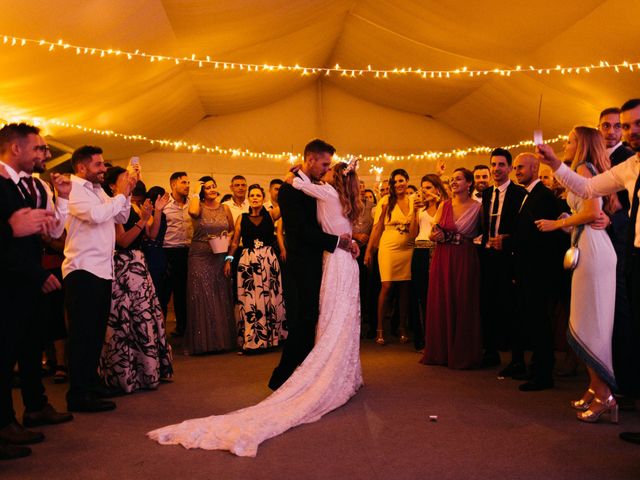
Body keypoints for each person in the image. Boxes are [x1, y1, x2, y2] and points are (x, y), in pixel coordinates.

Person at [148, 158, 363, 457]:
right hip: (336, 260)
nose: (324, 171)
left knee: (329, 317)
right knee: (331, 317)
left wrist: (294, 174)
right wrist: (345, 242)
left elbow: (305, 204)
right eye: (322, 165)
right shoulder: (336, 195)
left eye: (328, 168)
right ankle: (309, 373)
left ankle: (330, 370)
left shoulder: (323, 190)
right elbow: (304, 226)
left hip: (332, 260)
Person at [0, 125, 72, 457]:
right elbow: (10, 237)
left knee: (30, 344)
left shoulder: (31, 187)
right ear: (16, 148)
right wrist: (9, 229)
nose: (44, 153)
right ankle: (3, 425)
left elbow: (46, 232)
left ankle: (34, 407)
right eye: (37, 148)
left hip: (26, 278)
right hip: (8, 281)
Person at [536, 126, 617, 421]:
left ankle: (605, 395)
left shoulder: (584, 167)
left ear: (581, 144)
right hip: (586, 245)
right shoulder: (585, 169)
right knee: (585, 320)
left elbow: (594, 211)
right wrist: (568, 221)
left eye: (569, 141)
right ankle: (595, 389)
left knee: (592, 322)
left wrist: (556, 224)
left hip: (593, 250)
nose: (566, 145)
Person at [268, 140, 353, 390]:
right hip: (301, 264)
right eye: (324, 163)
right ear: (311, 158)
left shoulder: (316, 185)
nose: (327, 169)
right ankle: (280, 378)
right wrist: (337, 242)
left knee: (314, 320)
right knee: (303, 322)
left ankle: (308, 375)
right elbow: (300, 230)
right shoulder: (289, 190)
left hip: (322, 262)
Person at [63, 145, 135, 412]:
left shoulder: (98, 190)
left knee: (95, 334)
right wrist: (120, 194)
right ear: (81, 167)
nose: (104, 169)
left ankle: (90, 384)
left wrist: (123, 195)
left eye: (104, 164)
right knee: (82, 335)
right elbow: (96, 216)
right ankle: (78, 394)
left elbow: (121, 215)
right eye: (98, 165)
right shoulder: (73, 190)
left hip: (102, 269)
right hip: (83, 270)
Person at [98, 167, 173, 393]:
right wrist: (143, 221)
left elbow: (150, 235)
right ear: (113, 185)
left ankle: (147, 370)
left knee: (145, 317)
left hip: (140, 264)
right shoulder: (112, 205)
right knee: (127, 320)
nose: (131, 182)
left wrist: (156, 213)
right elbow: (122, 240)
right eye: (125, 179)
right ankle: (127, 372)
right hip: (123, 264)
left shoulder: (133, 204)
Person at [511, 153, 565, 391]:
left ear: (535, 167)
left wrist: (511, 242)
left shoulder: (542, 195)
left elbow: (540, 237)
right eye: (515, 167)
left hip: (539, 270)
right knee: (533, 320)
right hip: (529, 268)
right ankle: (537, 368)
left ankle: (543, 374)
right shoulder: (530, 194)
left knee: (540, 321)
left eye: (520, 167)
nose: (516, 171)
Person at [420, 168, 482, 369]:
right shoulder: (444, 205)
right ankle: (441, 351)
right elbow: (432, 233)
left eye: (458, 179)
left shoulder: (478, 208)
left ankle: (462, 352)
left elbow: (483, 234)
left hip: (464, 256)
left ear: (469, 183)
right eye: (452, 179)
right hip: (443, 256)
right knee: (442, 300)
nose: (454, 182)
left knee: (463, 300)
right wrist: (435, 236)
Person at [598, 107, 637, 397]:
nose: (613, 131)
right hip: (601, 245)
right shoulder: (598, 161)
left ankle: (625, 384)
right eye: (608, 126)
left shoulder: (628, 159)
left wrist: (614, 218)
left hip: (624, 244)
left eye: (617, 126)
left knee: (624, 314)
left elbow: (628, 210)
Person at [479, 148, 528, 371]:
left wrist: (508, 240)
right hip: (488, 254)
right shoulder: (487, 194)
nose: (496, 169)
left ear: (509, 168)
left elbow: (523, 227)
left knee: (512, 306)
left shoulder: (519, 193)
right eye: (494, 164)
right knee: (487, 304)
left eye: (501, 165)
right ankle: (490, 352)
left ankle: (517, 358)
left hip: (509, 256)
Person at [225, 184, 286, 353]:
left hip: (268, 261)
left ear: (263, 198)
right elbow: (236, 242)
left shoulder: (272, 214)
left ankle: (272, 337)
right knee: (250, 299)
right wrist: (228, 260)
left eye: (258, 195)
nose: (254, 198)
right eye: (252, 195)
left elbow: (286, 202)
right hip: (248, 262)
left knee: (270, 297)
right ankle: (252, 338)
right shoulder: (241, 218)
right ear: (248, 199)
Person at [364, 169, 419, 345]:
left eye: (401, 180)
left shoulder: (413, 200)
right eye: (394, 182)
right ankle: (380, 328)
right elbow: (377, 227)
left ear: (407, 180)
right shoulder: (385, 201)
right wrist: (369, 250)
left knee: (405, 288)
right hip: (388, 245)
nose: (398, 185)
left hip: (408, 246)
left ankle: (402, 327)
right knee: (386, 286)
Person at [185, 176, 236, 354]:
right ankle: (202, 344)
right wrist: (196, 193)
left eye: (214, 186)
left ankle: (222, 342)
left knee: (219, 294)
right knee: (202, 295)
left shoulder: (225, 208)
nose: (212, 189)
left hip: (220, 255)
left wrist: (227, 237)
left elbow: (232, 229)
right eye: (208, 188)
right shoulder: (197, 207)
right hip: (199, 256)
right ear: (202, 191)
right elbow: (192, 212)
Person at [410, 174, 447, 351]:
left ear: (437, 189)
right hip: (420, 250)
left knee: (437, 294)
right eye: (423, 187)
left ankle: (438, 337)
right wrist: (412, 212)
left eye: (428, 187)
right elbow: (411, 235)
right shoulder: (419, 209)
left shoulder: (444, 206)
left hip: (438, 250)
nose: (424, 191)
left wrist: (438, 200)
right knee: (420, 294)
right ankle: (421, 337)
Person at [163, 172, 192, 337]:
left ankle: (183, 327)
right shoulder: (165, 205)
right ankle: (161, 331)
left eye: (188, 182)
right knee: (166, 292)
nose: (187, 185)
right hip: (169, 251)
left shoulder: (193, 205)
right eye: (183, 182)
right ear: (173, 184)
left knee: (184, 292)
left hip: (188, 250)